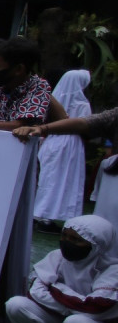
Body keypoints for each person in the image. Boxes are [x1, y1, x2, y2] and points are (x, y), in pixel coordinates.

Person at [5, 216, 118, 323]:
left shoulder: (112, 269)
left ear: (96, 244)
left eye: (76, 240)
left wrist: (55, 287)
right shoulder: (57, 257)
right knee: (15, 305)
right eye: (64, 236)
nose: (67, 242)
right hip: (64, 318)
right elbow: (35, 291)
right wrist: (71, 306)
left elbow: (96, 305)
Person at [31, 70, 92, 231]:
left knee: (48, 178)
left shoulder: (53, 100)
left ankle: (40, 213)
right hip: (70, 145)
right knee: (63, 179)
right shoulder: (82, 105)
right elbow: (87, 126)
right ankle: (46, 215)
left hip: (51, 141)